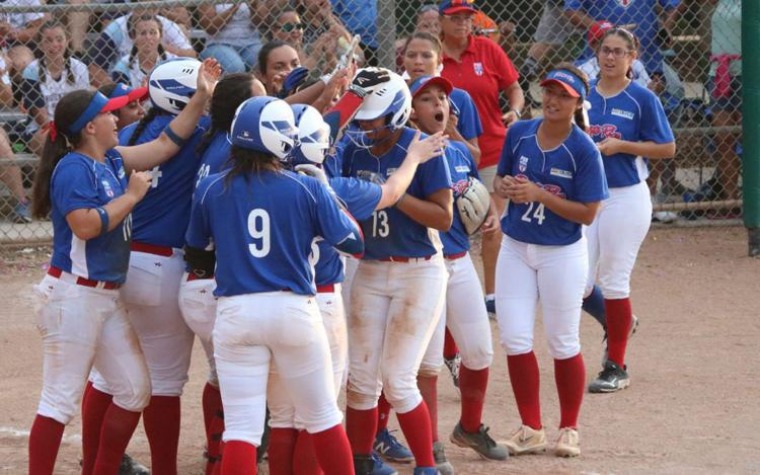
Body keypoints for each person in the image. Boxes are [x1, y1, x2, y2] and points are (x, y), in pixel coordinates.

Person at [26, 57, 220, 474]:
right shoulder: (73, 168)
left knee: (134, 390)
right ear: (89, 127)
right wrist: (131, 197)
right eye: (108, 113)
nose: (118, 116)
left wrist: (202, 94)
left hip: (106, 295)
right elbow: (85, 226)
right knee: (58, 399)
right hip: (72, 295)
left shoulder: (111, 159)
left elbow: (165, 144)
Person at [185, 95, 362, 473]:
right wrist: (328, 192)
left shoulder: (212, 188)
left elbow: (197, 253)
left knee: (243, 430)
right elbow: (354, 243)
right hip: (293, 309)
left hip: (235, 311)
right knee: (322, 416)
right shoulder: (306, 187)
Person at [84, 58, 212, 475]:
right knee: (164, 384)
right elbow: (251, 109)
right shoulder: (200, 134)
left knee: (108, 380)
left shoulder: (131, 134)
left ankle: (95, 465)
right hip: (162, 267)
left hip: (120, 263)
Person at [338, 71, 452, 475]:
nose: (366, 127)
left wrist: (390, 193)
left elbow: (442, 217)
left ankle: (427, 467)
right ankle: (361, 461)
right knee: (361, 379)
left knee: (399, 379)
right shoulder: (353, 149)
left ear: (398, 113)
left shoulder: (422, 147)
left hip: (417, 271)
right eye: (363, 118)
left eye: (374, 119)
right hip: (369, 267)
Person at [493, 64, 608, 458]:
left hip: (562, 252)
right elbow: (501, 180)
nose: (554, 100)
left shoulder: (583, 149)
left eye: (564, 95)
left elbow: (588, 213)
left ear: (578, 102)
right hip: (516, 247)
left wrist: (541, 195)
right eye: (549, 92)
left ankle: (570, 428)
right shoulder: (519, 133)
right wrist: (506, 187)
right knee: (514, 338)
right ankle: (531, 428)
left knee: (563, 341)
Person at [410, 75, 506, 472]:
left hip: (459, 259)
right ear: (412, 110)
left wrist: (489, 212)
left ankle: (468, 426)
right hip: (422, 265)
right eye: (427, 98)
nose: (439, 104)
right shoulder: (407, 150)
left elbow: (473, 197)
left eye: (443, 98)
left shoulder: (461, 153)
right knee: (429, 363)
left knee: (480, 351)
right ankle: (430, 445)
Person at [177, 71, 267, 474]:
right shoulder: (237, 148)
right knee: (245, 382)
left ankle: (218, 458)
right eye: (259, 99)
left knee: (221, 376)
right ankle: (226, 460)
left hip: (196, 282)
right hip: (218, 284)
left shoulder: (215, 139)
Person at [582, 28, 676, 393]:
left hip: (625, 196)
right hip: (587, 197)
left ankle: (616, 365)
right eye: (605, 50)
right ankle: (619, 321)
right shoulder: (584, 95)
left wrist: (623, 145)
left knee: (615, 279)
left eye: (619, 52)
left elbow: (667, 148)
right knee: (578, 283)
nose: (610, 57)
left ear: (632, 57)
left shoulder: (641, 98)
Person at [438, 0, 524, 318]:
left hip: (491, 150)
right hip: (444, 153)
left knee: (491, 223)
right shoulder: (435, 56)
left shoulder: (488, 50)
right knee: (449, 221)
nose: (462, 23)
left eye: (467, 18)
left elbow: (515, 88)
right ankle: (449, 287)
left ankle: (491, 293)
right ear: (442, 21)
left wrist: (514, 109)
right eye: (455, 18)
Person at [403, 31, 482, 164]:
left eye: (426, 55)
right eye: (411, 55)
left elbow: (475, 158)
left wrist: (451, 132)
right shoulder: (396, 97)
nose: (418, 61)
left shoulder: (459, 97)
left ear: (439, 59)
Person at [21, 20, 90, 157]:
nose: (55, 45)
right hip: (42, 129)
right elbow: (41, 118)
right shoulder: (31, 71)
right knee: (49, 140)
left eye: (59, 39)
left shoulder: (79, 68)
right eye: (48, 41)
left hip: (73, 125)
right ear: (40, 45)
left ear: (67, 40)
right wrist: (63, 135)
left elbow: (82, 107)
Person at [563, 0, 682, 75]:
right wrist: (605, 30)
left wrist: (666, 27)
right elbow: (571, 11)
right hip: (602, 58)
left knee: (675, 93)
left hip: (647, 56)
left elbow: (675, 4)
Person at [707, 0, 741, 206]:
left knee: (751, 137)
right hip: (720, 73)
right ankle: (731, 200)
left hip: (749, 73)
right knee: (723, 137)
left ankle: (754, 201)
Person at [197, 2, 266, 73]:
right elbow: (210, 28)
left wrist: (253, 6)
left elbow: (262, 23)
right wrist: (235, 7)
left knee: (266, 61)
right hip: (219, 44)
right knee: (235, 68)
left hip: (251, 43)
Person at [111, 14, 176, 88]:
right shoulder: (123, 67)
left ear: (160, 36)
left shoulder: (173, 61)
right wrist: (141, 93)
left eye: (153, 32)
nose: (148, 37)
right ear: (134, 38)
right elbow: (122, 97)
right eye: (143, 33)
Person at [577, 21, 650, 87]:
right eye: (602, 40)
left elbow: (648, 86)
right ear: (592, 45)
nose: (609, 41)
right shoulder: (584, 70)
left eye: (611, 36)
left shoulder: (635, 63)